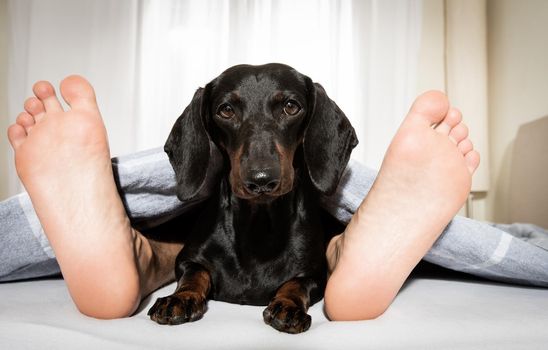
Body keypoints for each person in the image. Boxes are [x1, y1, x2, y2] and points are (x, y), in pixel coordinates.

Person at [1, 74, 488, 320]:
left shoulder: (312, 152)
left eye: (288, 108)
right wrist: (191, 289)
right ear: (210, 129)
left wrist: (294, 294)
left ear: (313, 125)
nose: (259, 164)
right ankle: (139, 250)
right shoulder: (210, 164)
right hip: (210, 226)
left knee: (316, 245)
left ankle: (348, 245)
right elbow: (190, 186)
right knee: (189, 247)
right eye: (230, 112)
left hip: (302, 224)